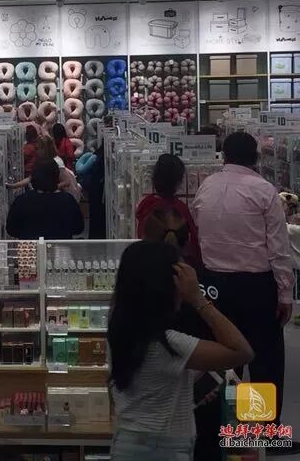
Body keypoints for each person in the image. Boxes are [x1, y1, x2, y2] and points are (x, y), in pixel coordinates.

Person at [108, 241, 253, 460]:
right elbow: (242, 351)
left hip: (126, 441)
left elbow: (147, 382)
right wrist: (198, 299)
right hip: (164, 448)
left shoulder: (120, 333)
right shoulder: (170, 344)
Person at [190, 131, 295, 420]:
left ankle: (223, 428)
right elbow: (278, 248)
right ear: (256, 158)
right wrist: (285, 294)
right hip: (256, 287)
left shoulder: (206, 186)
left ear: (224, 156)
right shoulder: (264, 191)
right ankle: (258, 432)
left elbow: (199, 230)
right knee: (263, 363)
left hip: (214, 285)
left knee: (223, 361)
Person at [135, 154, 201, 268]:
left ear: (154, 178)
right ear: (179, 182)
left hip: (148, 266)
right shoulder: (181, 209)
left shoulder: (146, 205)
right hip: (179, 269)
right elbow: (193, 246)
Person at [6, 160, 84, 239]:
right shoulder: (68, 200)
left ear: (33, 177)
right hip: (61, 245)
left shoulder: (21, 200)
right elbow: (78, 228)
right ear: (56, 177)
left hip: (29, 246)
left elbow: (11, 230)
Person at [7, 135, 81, 202]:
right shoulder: (40, 160)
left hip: (54, 198)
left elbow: (66, 182)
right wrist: (13, 186)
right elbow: (30, 178)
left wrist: (49, 188)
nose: (36, 151)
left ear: (45, 148)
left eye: (38, 148)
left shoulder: (57, 161)